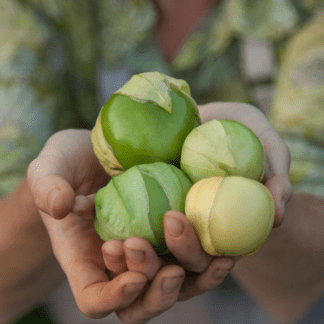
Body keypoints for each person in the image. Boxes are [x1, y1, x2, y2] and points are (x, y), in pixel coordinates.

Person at [0, 0, 323, 323]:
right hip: (101, 271)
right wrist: (53, 193)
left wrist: (259, 200)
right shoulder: (42, 7)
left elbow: (306, 286)